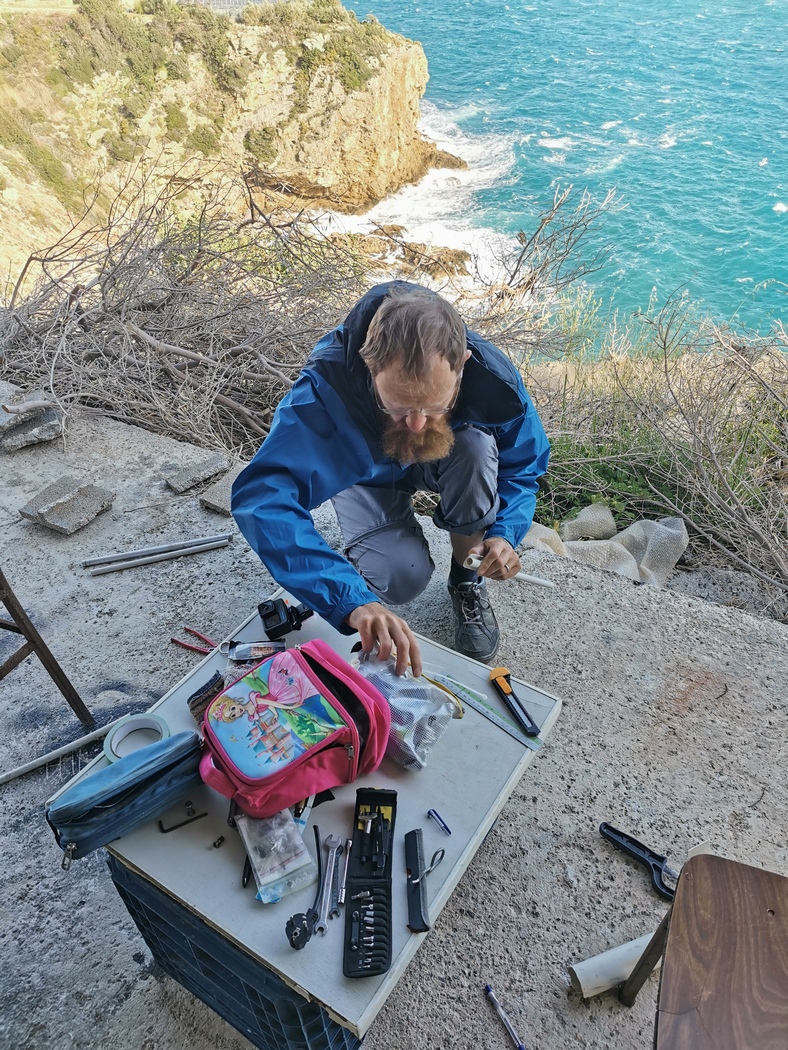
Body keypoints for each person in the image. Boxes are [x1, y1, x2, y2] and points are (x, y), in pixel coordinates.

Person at [232, 281, 550, 677]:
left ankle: (466, 579)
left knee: (476, 447)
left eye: (435, 406)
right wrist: (350, 600)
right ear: (369, 365)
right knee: (401, 580)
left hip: (449, 458)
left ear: (462, 364)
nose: (416, 425)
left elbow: (523, 467)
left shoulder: (494, 381)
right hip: (367, 477)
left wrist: (504, 533)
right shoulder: (327, 387)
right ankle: (360, 563)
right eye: (397, 406)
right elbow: (263, 498)